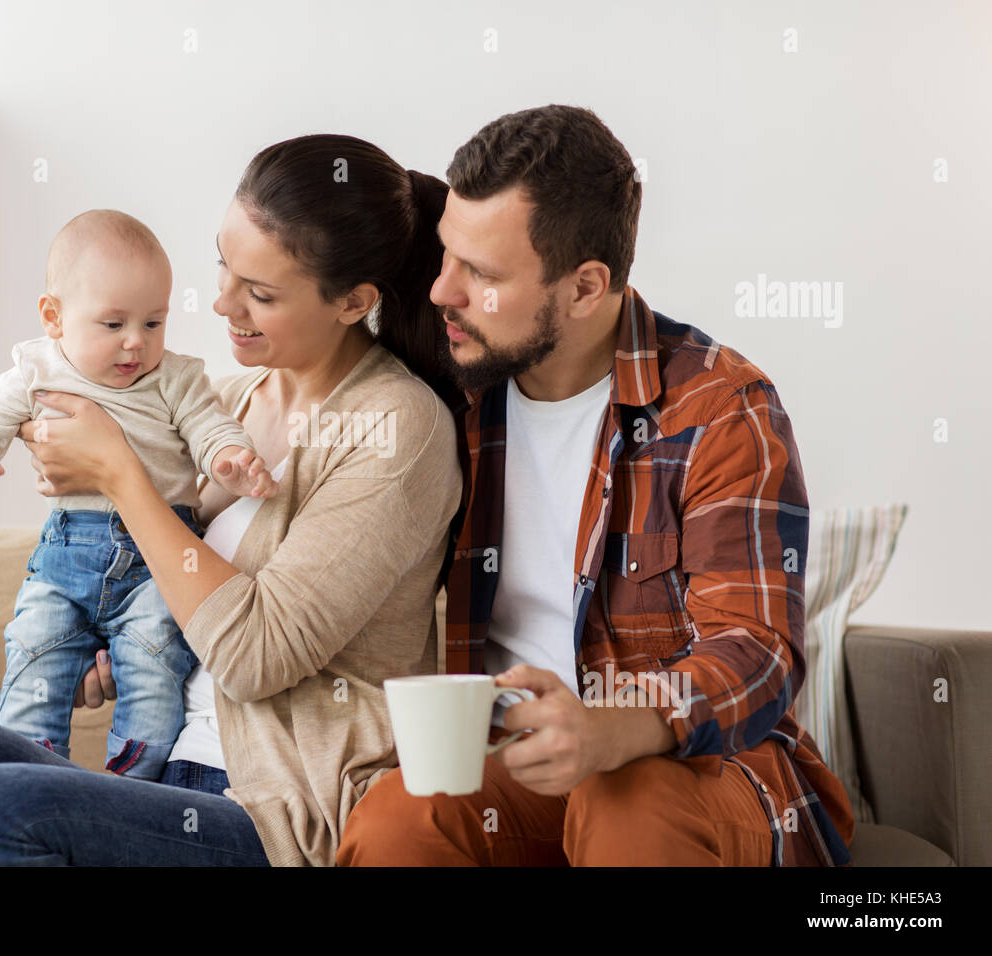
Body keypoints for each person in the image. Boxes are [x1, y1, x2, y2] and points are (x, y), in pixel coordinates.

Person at [0, 133, 462, 866]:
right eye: (224, 264)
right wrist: (106, 633)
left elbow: (254, 656)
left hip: (272, 808)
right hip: (162, 773)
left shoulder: (397, 429)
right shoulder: (229, 399)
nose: (220, 304)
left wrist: (121, 475)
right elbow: (178, 586)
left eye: (261, 293)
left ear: (355, 302)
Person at [337, 105, 856, 866]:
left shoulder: (719, 406)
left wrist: (613, 727)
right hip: (516, 766)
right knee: (402, 816)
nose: (443, 291)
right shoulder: (455, 397)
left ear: (585, 287)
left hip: (697, 773)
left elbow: (758, 649)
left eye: (480, 274)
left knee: (629, 804)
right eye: (448, 256)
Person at [0, 209, 276, 779]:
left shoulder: (176, 378)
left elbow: (211, 427)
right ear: (54, 316)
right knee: (32, 652)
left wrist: (229, 459)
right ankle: (31, 773)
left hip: (156, 563)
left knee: (152, 665)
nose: (134, 344)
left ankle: (132, 782)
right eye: (113, 324)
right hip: (66, 557)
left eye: (153, 323)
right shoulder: (34, 371)